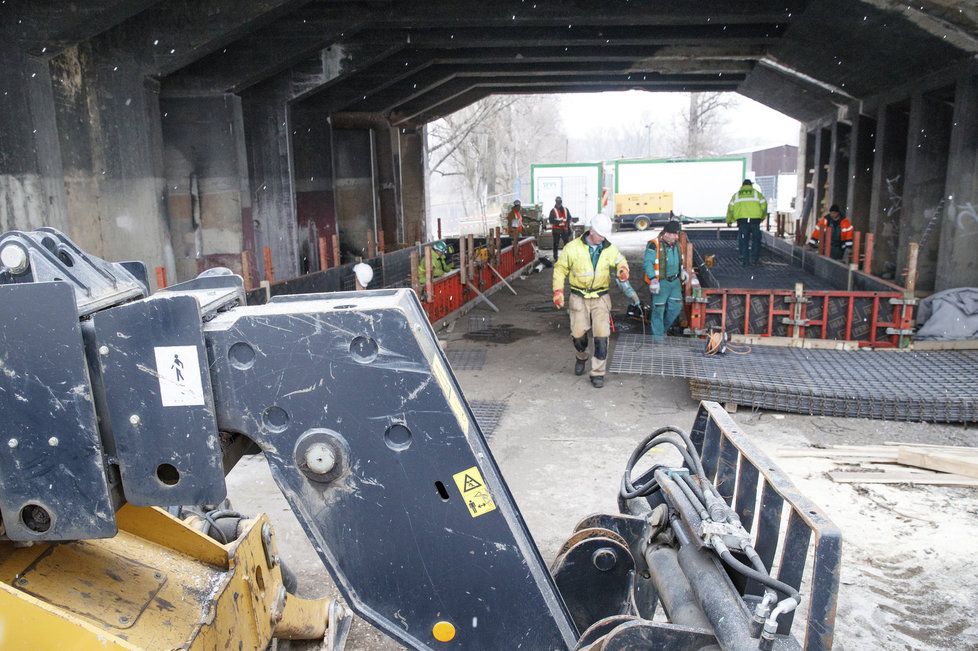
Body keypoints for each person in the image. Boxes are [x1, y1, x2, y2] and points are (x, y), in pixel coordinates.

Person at [552, 212, 633, 389]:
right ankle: (581, 356)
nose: (603, 238)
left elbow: (621, 260)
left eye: (605, 235)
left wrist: (623, 269)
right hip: (578, 297)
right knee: (578, 334)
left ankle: (598, 373)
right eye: (601, 235)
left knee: (602, 335)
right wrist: (558, 291)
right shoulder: (572, 248)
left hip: (601, 298)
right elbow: (560, 269)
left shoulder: (608, 248)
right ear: (591, 231)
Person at [644, 220, 687, 340]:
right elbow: (648, 263)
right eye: (674, 234)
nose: (676, 236)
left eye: (677, 234)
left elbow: (680, 260)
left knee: (676, 308)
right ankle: (658, 339)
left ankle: (661, 330)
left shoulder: (677, 245)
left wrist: (682, 271)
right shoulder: (654, 244)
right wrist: (653, 280)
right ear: (666, 234)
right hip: (661, 283)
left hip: (675, 282)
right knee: (658, 310)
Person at [725, 179, 768, 266]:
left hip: (743, 221)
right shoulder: (757, 194)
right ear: (751, 185)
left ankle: (744, 260)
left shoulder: (736, 196)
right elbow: (764, 206)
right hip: (755, 220)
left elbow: (730, 209)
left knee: (744, 240)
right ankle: (754, 259)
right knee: (756, 240)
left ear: (742, 185)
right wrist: (762, 218)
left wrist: (729, 220)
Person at [548, 196, 577, 260]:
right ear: (556, 202)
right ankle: (555, 257)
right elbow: (551, 220)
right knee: (556, 244)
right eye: (558, 202)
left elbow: (569, 218)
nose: (558, 203)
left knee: (566, 244)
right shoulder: (553, 211)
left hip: (564, 230)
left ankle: (567, 256)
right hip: (556, 230)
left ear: (561, 202)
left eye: (559, 202)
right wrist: (557, 222)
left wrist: (569, 225)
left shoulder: (565, 209)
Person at [507, 199, 524, 263]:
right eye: (519, 207)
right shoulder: (512, 214)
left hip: (518, 232)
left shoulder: (517, 213)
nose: (520, 208)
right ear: (516, 206)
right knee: (515, 248)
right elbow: (513, 226)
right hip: (514, 233)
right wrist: (514, 234)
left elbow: (519, 222)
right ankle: (515, 260)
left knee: (518, 247)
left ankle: (518, 258)